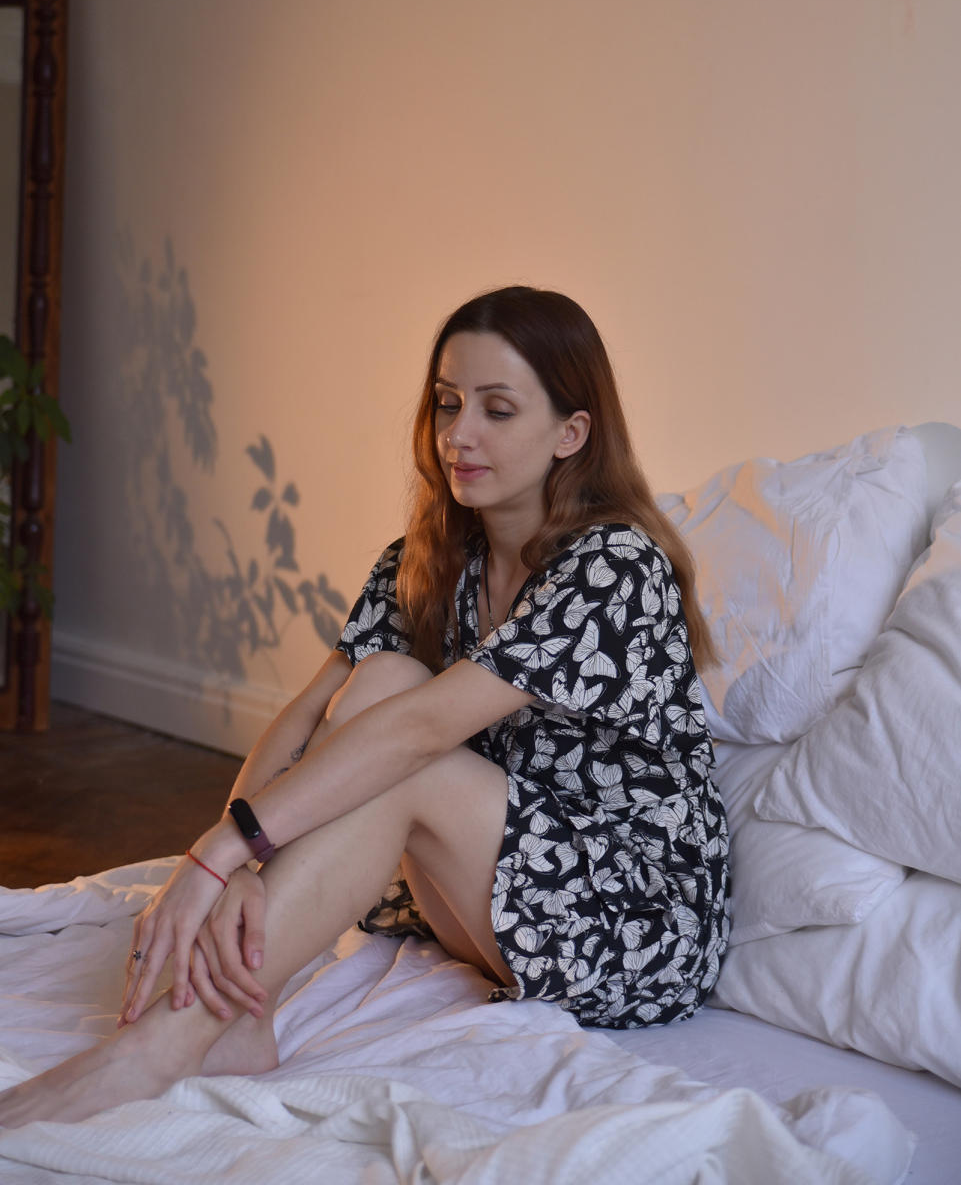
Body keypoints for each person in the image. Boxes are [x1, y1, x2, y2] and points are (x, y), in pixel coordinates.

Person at [0, 285, 729, 1129]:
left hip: (630, 921)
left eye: (496, 410)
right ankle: (239, 1019)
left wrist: (223, 850)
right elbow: (312, 712)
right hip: (488, 890)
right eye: (448, 403)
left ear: (571, 433)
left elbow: (419, 737)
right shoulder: (428, 554)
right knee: (382, 678)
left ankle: (159, 1048)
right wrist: (234, 865)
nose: (458, 435)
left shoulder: (614, 567)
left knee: (403, 754)